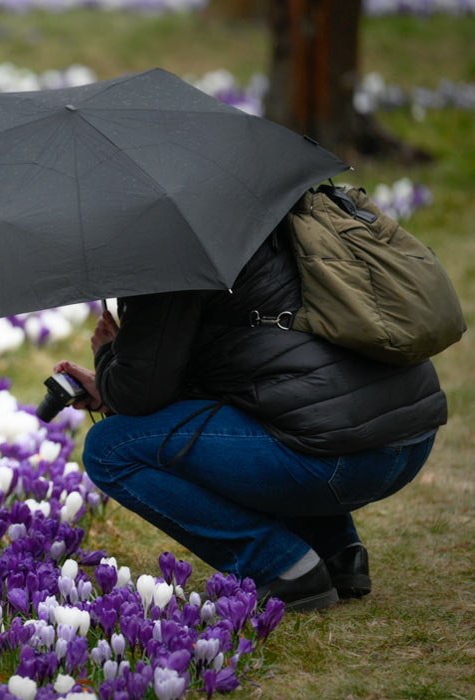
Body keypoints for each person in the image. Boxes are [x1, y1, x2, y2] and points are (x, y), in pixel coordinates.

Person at [55, 219, 448, 612]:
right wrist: (112, 383)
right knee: (285, 403)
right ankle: (337, 550)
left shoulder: (163, 244)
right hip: (409, 438)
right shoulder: (267, 210)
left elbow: (141, 393)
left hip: (342, 463)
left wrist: (109, 354)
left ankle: (283, 567)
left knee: (110, 448)